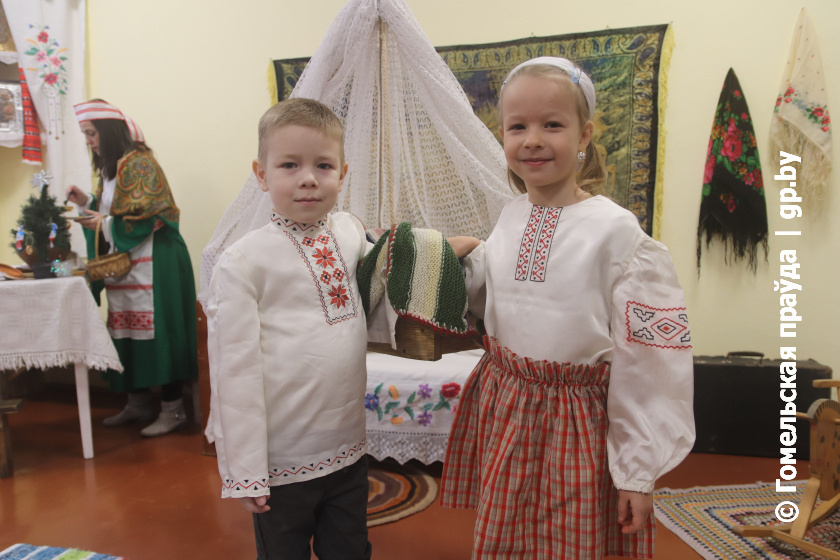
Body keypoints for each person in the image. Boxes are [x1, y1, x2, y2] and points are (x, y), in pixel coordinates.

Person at [440, 57, 695, 559]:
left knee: (573, 544)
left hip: (576, 428)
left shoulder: (616, 233)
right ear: (502, 135)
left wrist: (638, 471)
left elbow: (652, 362)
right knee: (508, 540)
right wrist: (456, 260)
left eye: (552, 125)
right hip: (509, 410)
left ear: (585, 135)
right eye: (518, 127)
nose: (533, 140)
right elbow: (495, 298)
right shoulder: (511, 215)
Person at [204, 98, 373, 560]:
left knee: (351, 552)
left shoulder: (350, 233)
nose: (308, 178)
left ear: (343, 174)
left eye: (323, 165)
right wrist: (246, 471)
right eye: (290, 165)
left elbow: (387, 267)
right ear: (261, 175)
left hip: (348, 448)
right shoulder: (243, 262)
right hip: (282, 464)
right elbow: (234, 372)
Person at [66, 100, 198, 438]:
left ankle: (173, 409)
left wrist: (104, 222)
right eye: (85, 134)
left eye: (91, 133)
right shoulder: (112, 168)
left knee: (162, 332)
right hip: (127, 264)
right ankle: (137, 403)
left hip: (156, 261)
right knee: (126, 330)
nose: (88, 141)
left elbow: (150, 216)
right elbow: (113, 211)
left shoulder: (139, 163)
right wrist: (86, 203)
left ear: (108, 131)